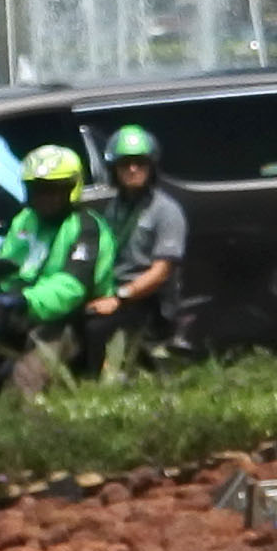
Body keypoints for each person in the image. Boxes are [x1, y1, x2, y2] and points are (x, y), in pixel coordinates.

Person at [0, 145, 113, 400]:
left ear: (70, 189)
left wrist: (27, 300)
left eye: (53, 190)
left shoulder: (85, 227)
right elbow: (5, 263)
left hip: (68, 321)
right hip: (19, 315)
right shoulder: (26, 219)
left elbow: (72, 287)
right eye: (38, 190)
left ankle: (29, 433)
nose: (44, 198)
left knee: (25, 376)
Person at [78, 125, 189, 376]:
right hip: (115, 291)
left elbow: (162, 272)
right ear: (113, 169)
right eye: (124, 164)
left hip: (148, 300)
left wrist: (120, 298)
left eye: (140, 163)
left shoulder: (166, 211)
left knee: (97, 328)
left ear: (151, 167)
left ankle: (102, 384)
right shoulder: (115, 208)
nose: (132, 169)